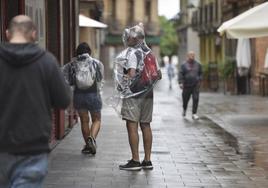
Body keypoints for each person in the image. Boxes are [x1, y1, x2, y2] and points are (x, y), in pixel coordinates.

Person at [0, 15, 71, 187]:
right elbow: (63, 100)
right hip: (33, 150)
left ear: (7, 33)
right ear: (33, 34)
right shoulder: (47, 62)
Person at [116, 23, 161, 171]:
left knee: (132, 125)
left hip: (134, 95)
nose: (126, 39)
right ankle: (147, 160)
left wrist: (122, 81)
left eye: (128, 37)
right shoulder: (150, 53)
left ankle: (135, 160)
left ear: (133, 39)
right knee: (146, 125)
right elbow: (158, 75)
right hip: (148, 94)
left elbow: (132, 74)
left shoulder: (132, 53)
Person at [62, 42, 104, 155]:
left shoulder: (71, 65)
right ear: (89, 52)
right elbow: (100, 79)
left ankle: (87, 145)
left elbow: (68, 80)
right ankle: (92, 139)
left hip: (78, 96)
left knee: (84, 121)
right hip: (93, 94)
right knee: (97, 120)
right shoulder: (96, 63)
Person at [178, 51, 202, 120]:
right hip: (186, 86)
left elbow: (201, 73)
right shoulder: (184, 65)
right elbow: (181, 74)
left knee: (196, 98)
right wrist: (180, 82)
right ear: (187, 56)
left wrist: (199, 79)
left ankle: (194, 113)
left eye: (193, 55)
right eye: (191, 55)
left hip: (195, 85)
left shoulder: (198, 64)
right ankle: (184, 109)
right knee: (185, 99)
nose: (192, 56)